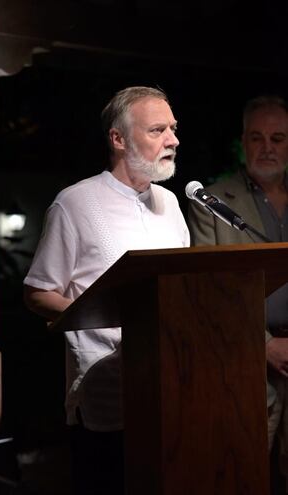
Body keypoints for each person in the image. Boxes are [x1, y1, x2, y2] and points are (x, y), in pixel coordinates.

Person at [23, 86, 190, 494]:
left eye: (173, 128)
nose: (173, 140)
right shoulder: (76, 203)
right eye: (157, 130)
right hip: (108, 397)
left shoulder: (170, 202)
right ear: (118, 139)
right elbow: (38, 290)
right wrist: (102, 312)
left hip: (171, 391)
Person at [187, 95, 288, 491]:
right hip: (243, 364)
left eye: (278, 138)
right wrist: (262, 344)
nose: (267, 147)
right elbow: (205, 289)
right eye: (257, 137)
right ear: (243, 141)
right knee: (242, 476)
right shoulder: (211, 202)